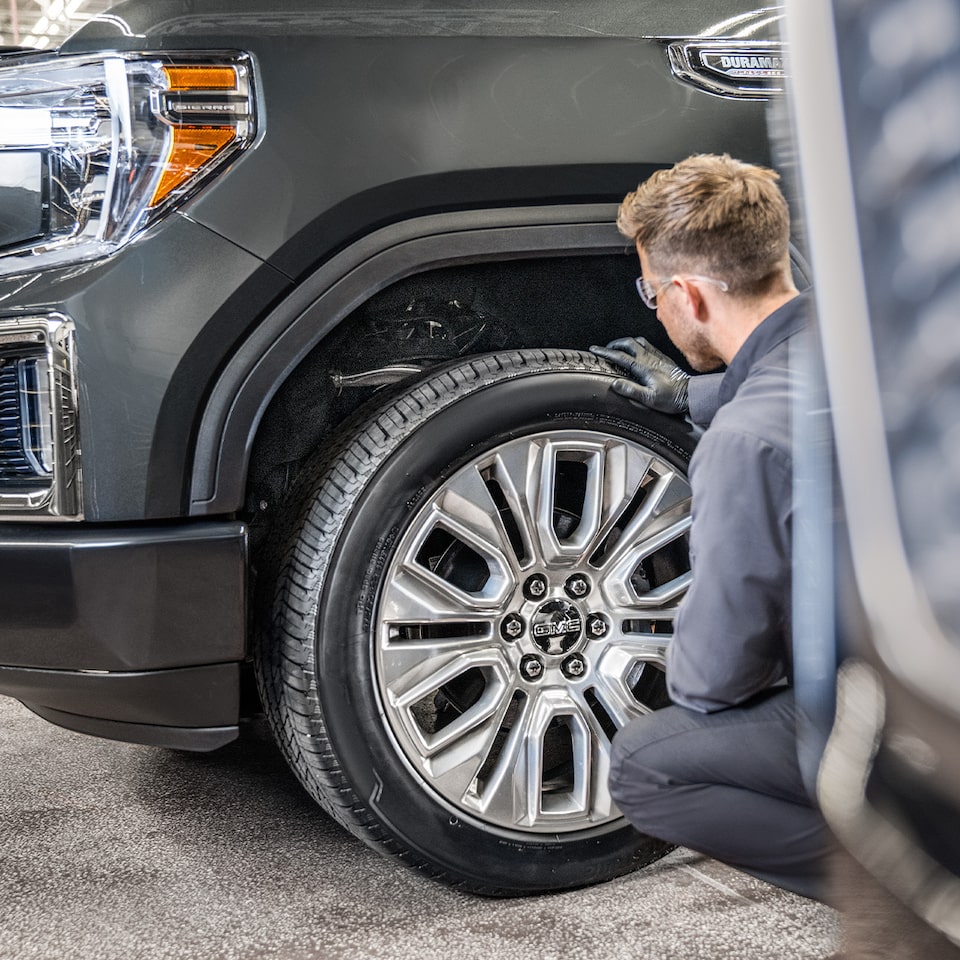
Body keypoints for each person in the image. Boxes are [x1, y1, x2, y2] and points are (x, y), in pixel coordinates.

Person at [590, 153, 832, 900]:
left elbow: (715, 680)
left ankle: (916, 876)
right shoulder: (887, 336)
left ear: (688, 294)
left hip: (907, 723)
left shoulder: (745, 445)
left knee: (647, 765)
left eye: (652, 292)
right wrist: (701, 394)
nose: (654, 307)